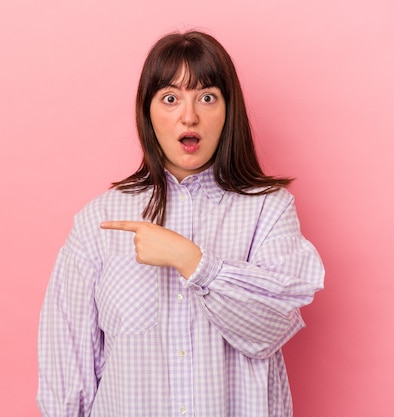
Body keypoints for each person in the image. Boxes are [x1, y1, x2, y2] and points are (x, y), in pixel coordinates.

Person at [37, 30, 324, 417]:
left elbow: (271, 328)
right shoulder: (100, 222)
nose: (189, 116)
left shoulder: (268, 210)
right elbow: (66, 368)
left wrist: (194, 262)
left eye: (207, 97)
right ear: (148, 112)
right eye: (170, 99)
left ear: (228, 110)